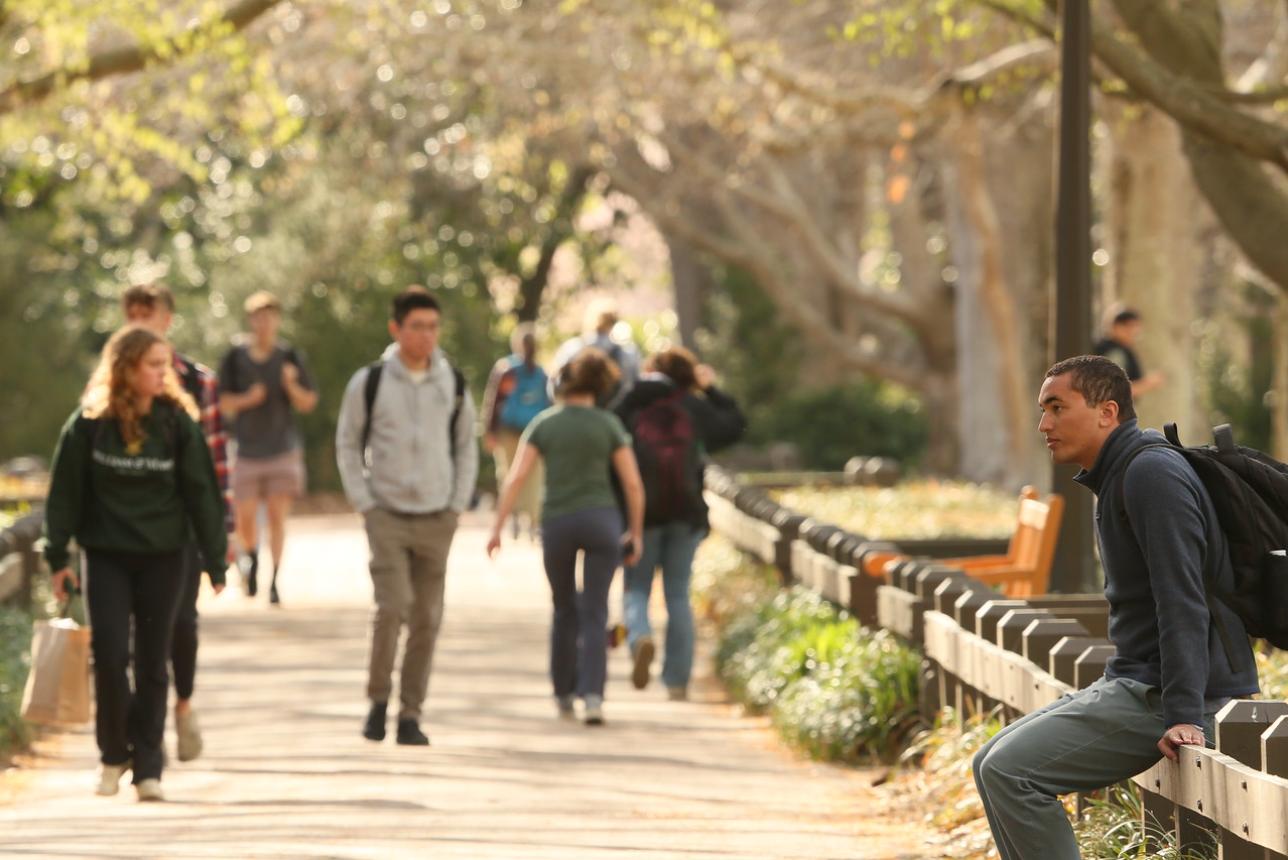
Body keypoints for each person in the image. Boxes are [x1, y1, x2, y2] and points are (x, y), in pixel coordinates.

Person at [972, 355, 1259, 859]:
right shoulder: (1123, 471)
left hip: (1173, 695)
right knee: (988, 762)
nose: (1045, 424)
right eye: (1043, 410)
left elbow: (1183, 600)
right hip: (1136, 680)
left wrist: (1185, 713)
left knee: (1009, 772)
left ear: (1107, 412)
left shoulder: (1150, 474)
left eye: (1057, 408)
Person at [44, 325, 227, 802]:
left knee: (152, 661)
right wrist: (57, 555)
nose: (162, 373)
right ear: (125, 367)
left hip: (165, 557)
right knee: (107, 655)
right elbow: (64, 493)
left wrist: (214, 557)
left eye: (164, 365)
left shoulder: (175, 422)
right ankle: (112, 756)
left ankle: (149, 767)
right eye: (152, 365)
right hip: (105, 555)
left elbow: (201, 492)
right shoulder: (89, 423)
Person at [336, 286, 479, 746]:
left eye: (433, 327)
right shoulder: (370, 381)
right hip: (388, 514)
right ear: (396, 329)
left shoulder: (452, 382)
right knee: (392, 606)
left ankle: (410, 714)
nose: (425, 336)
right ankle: (378, 701)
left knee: (427, 617)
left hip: (438, 514)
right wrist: (365, 501)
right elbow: (347, 442)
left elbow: (465, 446)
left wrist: (457, 504)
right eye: (416, 326)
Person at [487, 348, 645, 726]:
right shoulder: (608, 425)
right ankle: (593, 696)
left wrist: (497, 529)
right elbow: (633, 484)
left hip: (557, 523)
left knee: (563, 609)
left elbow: (516, 478)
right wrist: (635, 532)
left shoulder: (545, 423)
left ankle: (562, 693)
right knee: (595, 611)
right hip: (602, 523)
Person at [122, 284, 234, 763]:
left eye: (150, 316)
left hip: (182, 529)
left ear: (167, 320)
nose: (141, 323)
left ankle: (183, 704)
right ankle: (146, 733)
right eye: (133, 316)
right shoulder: (108, 384)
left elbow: (216, 464)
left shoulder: (198, 381)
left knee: (181, 624)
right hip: (125, 531)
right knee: (132, 634)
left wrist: (221, 534)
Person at [614, 347, 746, 699]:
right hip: (686, 512)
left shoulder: (632, 404)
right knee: (676, 593)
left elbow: (607, 437)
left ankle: (639, 636)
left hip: (641, 514)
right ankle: (676, 682)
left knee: (637, 588)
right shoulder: (692, 406)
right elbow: (734, 426)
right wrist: (710, 389)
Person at [218, 291, 318, 605]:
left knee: (277, 517)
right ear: (251, 320)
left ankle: (274, 580)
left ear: (277, 319)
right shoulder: (235, 357)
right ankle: (251, 556)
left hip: (282, 449)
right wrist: (248, 399)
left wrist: (289, 384)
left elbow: (308, 402)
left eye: (270, 316)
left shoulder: (289, 357)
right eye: (258, 316)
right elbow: (220, 402)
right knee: (245, 518)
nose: (264, 322)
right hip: (246, 449)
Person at [482, 324, 551, 538]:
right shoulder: (540, 372)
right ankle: (533, 519)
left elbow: (494, 401)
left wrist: (489, 430)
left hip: (509, 430)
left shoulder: (507, 369)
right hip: (535, 429)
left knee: (509, 473)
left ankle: (512, 516)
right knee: (534, 477)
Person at [551, 299, 640, 408]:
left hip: (575, 412)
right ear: (614, 322)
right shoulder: (626, 352)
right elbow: (631, 386)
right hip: (612, 414)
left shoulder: (573, 348)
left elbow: (555, 383)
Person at [1093, 306, 1164, 399]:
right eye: (1129, 326)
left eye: (1136, 327)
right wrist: (1147, 384)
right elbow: (1113, 390)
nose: (1134, 332)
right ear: (1116, 327)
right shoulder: (1114, 352)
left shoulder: (1121, 348)